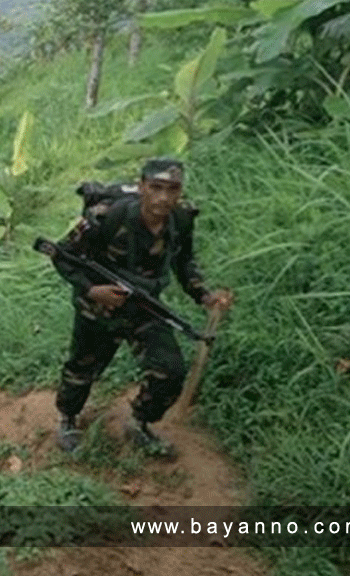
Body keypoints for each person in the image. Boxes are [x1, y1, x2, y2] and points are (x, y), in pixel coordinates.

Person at [49, 158, 227, 456]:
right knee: (82, 368)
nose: (164, 197)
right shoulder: (108, 216)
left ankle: (140, 422)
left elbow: (184, 261)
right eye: (156, 187)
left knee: (169, 371)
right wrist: (92, 290)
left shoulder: (181, 219)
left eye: (172, 189)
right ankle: (68, 419)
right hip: (99, 308)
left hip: (144, 307)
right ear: (142, 186)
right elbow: (62, 255)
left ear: (180, 191)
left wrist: (204, 295)